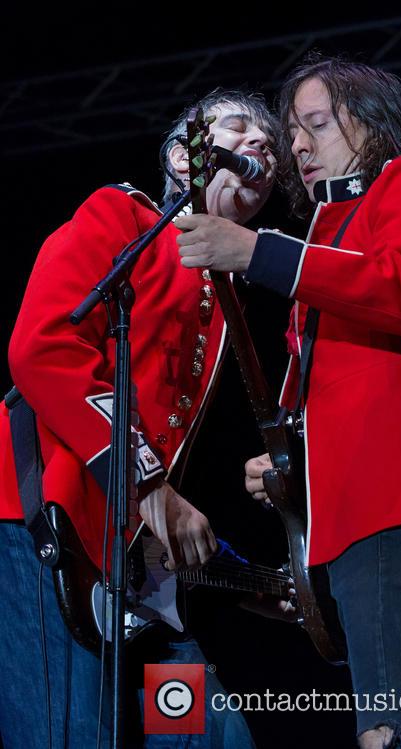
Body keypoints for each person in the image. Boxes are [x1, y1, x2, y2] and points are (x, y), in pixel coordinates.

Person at [175, 56, 401, 748]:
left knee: (400, 731)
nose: (296, 146)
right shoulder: (334, 232)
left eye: (315, 124)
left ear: (371, 123)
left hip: (400, 501)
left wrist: (261, 252)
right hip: (359, 513)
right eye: (291, 132)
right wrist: (287, 460)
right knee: (386, 732)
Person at [0, 89, 277, 748]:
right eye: (239, 129)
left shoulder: (230, 294)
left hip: (131, 574)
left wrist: (238, 579)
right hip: (44, 524)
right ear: (184, 157)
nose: (262, 145)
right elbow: (41, 346)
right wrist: (148, 486)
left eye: (271, 143)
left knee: (212, 738)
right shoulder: (119, 215)